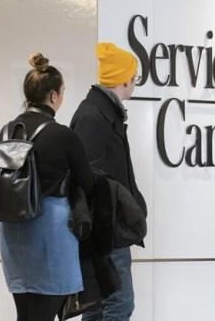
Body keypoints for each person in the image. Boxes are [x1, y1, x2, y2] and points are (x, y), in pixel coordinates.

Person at [0, 53, 95, 321]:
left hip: (12, 230)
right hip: (49, 231)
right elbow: (88, 182)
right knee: (44, 311)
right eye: (62, 92)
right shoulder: (62, 135)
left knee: (26, 313)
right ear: (53, 96)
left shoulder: (7, 131)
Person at [70, 42, 147, 320]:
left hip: (106, 229)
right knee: (118, 304)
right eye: (134, 76)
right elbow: (89, 178)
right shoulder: (94, 116)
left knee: (99, 306)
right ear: (124, 80)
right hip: (106, 232)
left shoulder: (102, 112)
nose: (135, 82)